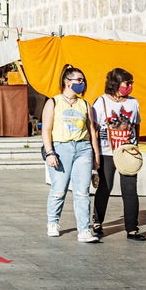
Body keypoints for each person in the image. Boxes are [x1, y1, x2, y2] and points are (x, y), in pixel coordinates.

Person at [41, 64, 100, 243]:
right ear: (67, 82)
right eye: (79, 80)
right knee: (59, 189)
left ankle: (84, 230)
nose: (82, 83)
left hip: (83, 149)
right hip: (61, 148)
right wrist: (50, 152)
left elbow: (92, 131)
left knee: (82, 191)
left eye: (83, 81)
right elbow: (46, 129)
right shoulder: (53, 102)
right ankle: (53, 222)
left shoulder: (85, 104)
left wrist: (96, 157)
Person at [92, 68, 146, 241]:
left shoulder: (133, 103)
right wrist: (95, 154)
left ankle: (132, 229)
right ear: (116, 83)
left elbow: (136, 124)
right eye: (127, 83)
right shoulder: (100, 102)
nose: (130, 86)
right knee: (105, 188)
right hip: (106, 152)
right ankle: (97, 222)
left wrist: (134, 144)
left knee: (130, 190)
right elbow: (93, 127)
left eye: (131, 83)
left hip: (127, 153)